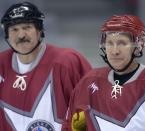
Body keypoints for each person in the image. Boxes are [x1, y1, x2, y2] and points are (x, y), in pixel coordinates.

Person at [63, 15, 145, 131]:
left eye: (122, 43)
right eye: (110, 43)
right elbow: (76, 127)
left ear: (139, 44)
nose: (115, 51)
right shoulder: (88, 83)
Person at [0, 2, 92, 131]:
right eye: (14, 29)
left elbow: (87, 107)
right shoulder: (1, 65)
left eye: (27, 27)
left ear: (39, 30)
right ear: (7, 35)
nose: (21, 35)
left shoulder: (67, 62)